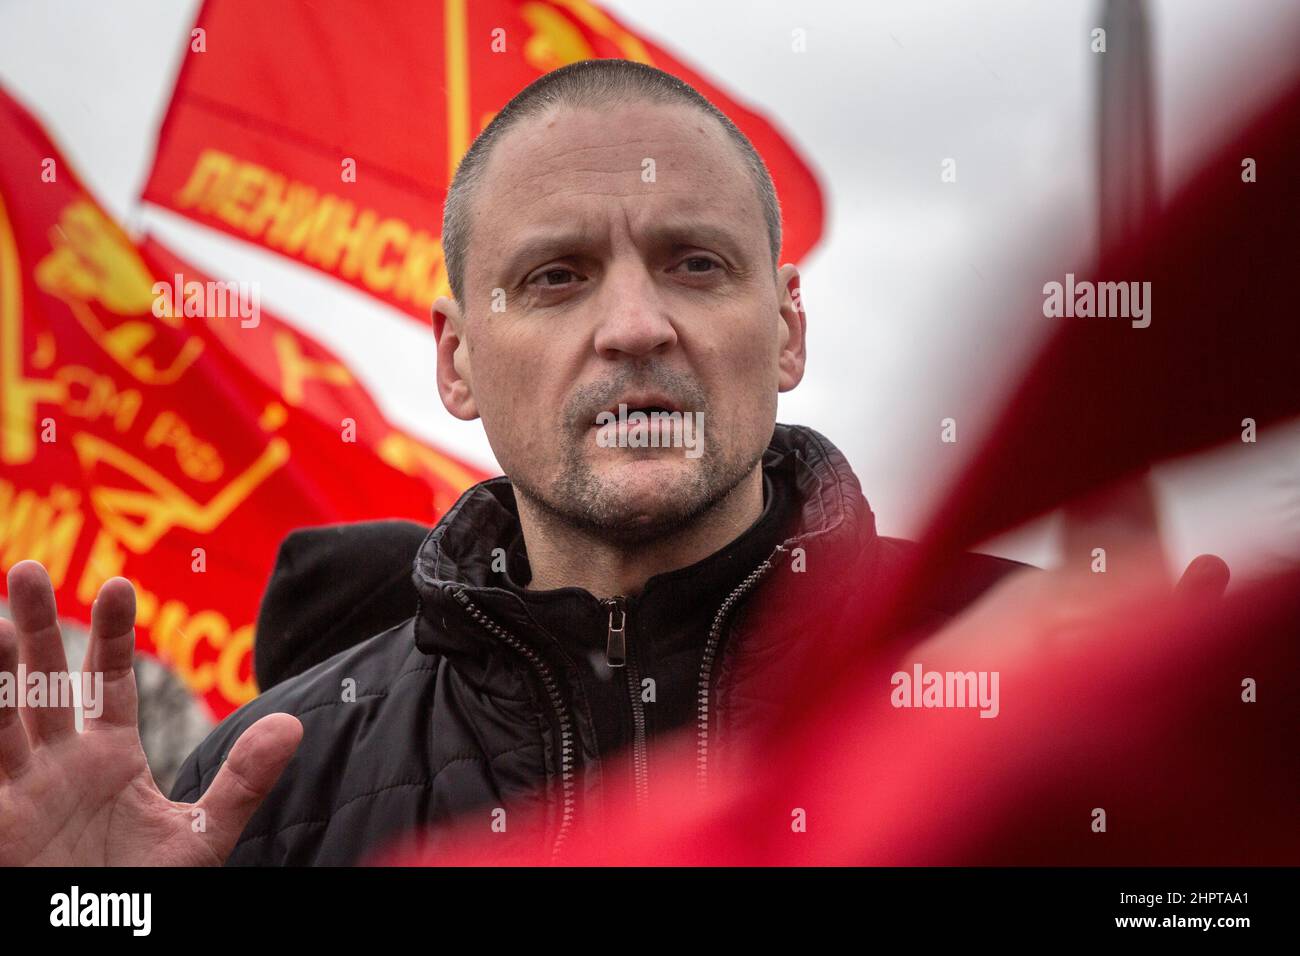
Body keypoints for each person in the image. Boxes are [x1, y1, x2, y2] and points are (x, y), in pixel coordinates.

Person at [0, 59, 1032, 866]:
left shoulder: (1044, 668)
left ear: (788, 329)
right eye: (555, 277)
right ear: (457, 360)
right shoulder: (262, 780)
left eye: (696, 263)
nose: (634, 325)